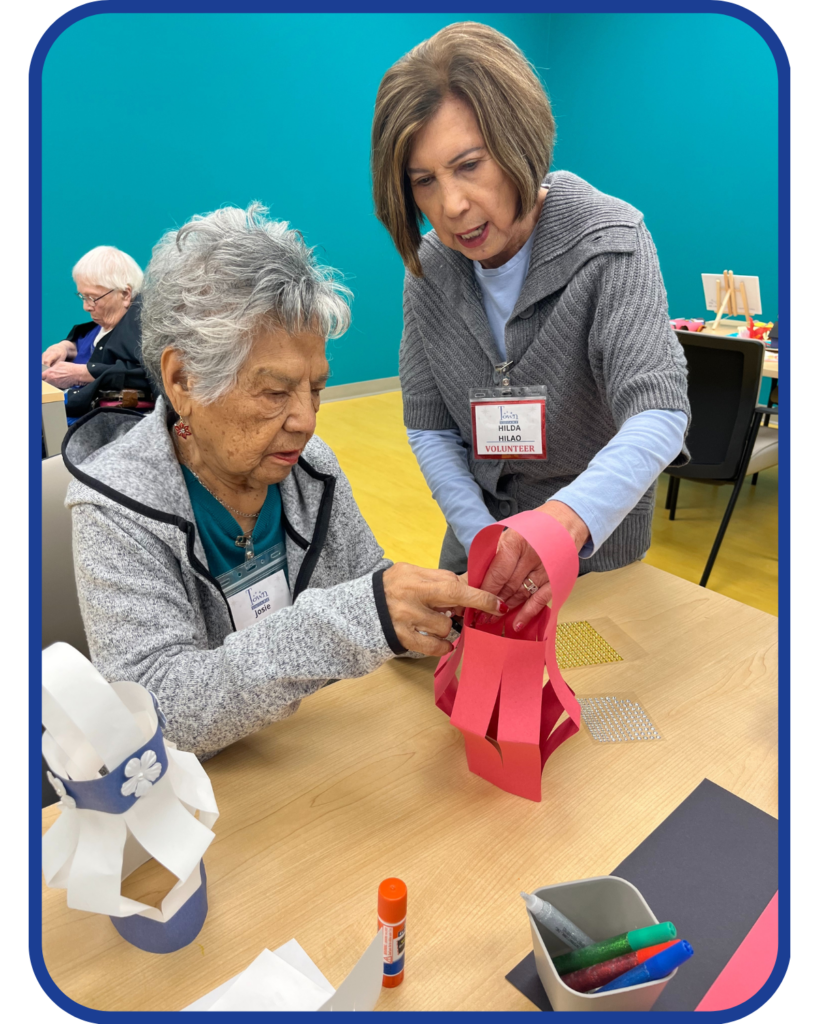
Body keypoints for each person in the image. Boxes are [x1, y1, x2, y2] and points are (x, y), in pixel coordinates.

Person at [63, 205, 504, 760]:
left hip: (314, 758)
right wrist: (355, 619)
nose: (305, 419)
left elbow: (365, 585)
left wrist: (438, 612)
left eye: (316, 389)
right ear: (181, 381)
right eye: (275, 392)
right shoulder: (114, 504)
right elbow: (154, 710)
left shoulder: (309, 468)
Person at [371, 21, 691, 632]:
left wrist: (560, 525)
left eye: (469, 165)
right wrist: (486, 538)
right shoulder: (431, 270)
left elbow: (659, 414)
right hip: (481, 564)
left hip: (596, 559)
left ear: (519, 141)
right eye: (424, 181)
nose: (452, 206)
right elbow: (431, 428)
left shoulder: (611, 244)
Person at [42, 246, 154, 419]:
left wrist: (80, 374)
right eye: (83, 297)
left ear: (125, 294)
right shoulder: (104, 324)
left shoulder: (143, 328)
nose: (86, 307)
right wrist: (64, 347)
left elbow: (148, 374)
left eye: (93, 298)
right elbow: (89, 343)